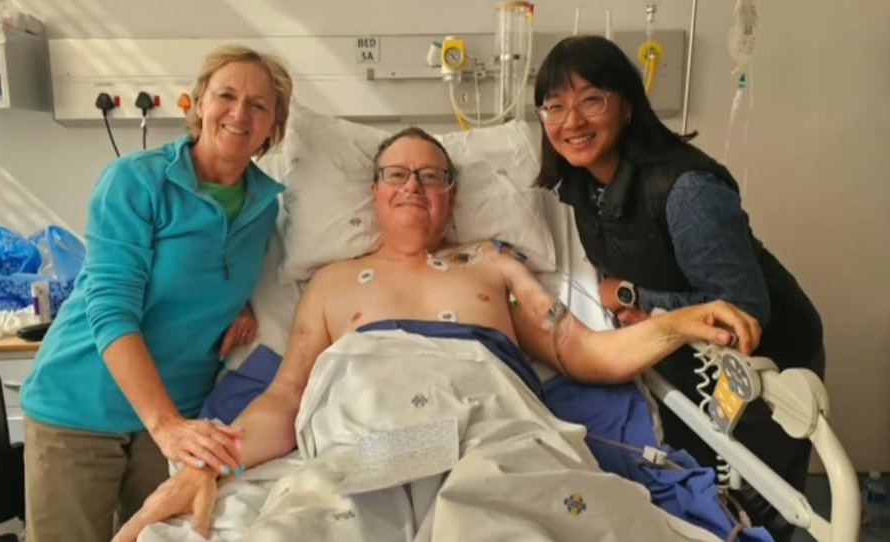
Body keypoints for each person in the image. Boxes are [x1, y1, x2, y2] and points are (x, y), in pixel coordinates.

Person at [111, 127, 762, 542]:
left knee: (497, 520)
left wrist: (674, 323)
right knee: (314, 522)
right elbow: (284, 400)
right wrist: (208, 466)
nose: (413, 186)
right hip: (365, 439)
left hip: (488, 429)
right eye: (397, 173)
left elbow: (577, 351)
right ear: (373, 192)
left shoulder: (495, 264)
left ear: (451, 195)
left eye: (431, 175)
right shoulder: (332, 281)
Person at [531, 35, 825, 542]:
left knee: (758, 502)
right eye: (554, 106)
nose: (571, 121)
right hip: (685, 353)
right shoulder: (580, 186)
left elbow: (743, 309)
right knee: (699, 488)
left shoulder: (687, 189)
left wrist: (633, 298)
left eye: (590, 100)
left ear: (626, 105)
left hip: (765, 356)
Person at [18, 44, 293, 542]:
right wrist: (166, 425)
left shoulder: (267, 208)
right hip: (80, 408)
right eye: (226, 96)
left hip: (180, 414)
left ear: (275, 124)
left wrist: (244, 303)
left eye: (258, 104)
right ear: (199, 104)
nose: (239, 113)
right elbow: (112, 308)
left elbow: (240, 271)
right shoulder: (137, 181)